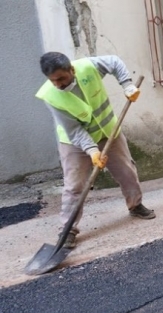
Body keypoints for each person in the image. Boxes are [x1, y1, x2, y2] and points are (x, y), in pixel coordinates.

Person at [36, 52, 156, 249]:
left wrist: (127, 85)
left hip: (109, 131)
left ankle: (135, 206)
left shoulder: (88, 67)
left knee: (127, 171)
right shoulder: (51, 96)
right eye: (53, 81)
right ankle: (68, 230)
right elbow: (74, 130)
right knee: (74, 186)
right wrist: (92, 151)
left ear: (71, 70)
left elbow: (115, 62)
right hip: (74, 142)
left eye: (61, 78)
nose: (58, 84)